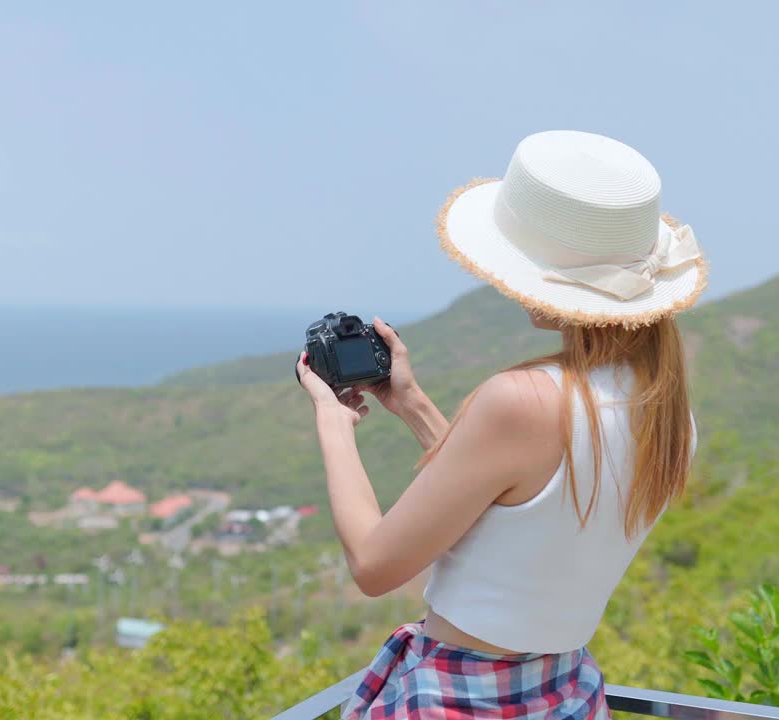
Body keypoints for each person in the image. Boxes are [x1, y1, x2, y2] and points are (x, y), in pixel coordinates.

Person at [296, 130, 704, 720]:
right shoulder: (668, 414)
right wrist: (412, 405)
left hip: (465, 698)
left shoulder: (522, 401)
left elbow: (374, 566)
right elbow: (515, 511)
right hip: (565, 690)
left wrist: (332, 422)